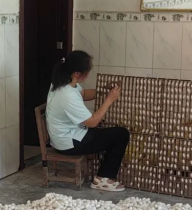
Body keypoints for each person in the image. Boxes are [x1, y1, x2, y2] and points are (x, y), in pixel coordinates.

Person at [46, 50, 130, 192]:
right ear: (77, 73)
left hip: (67, 135)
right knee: (121, 135)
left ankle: (103, 175)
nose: (89, 73)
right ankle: (102, 179)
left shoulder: (64, 82)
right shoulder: (67, 95)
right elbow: (92, 122)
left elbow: (83, 94)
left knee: (111, 133)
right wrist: (109, 100)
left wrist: (104, 91)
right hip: (68, 143)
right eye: (87, 71)